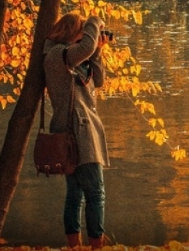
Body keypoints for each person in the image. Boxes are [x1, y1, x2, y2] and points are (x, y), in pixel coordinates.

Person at [43, 12, 110, 249]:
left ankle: (76, 247)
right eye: (82, 30)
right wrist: (94, 21)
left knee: (77, 194)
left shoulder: (74, 59)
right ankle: (95, 246)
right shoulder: (57, 55)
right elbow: (86, 47)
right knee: (95, 194)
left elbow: (99, 81)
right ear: (73, 31)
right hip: (75, 132)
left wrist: (98, 51)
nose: (86, 36)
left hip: (81, 131)